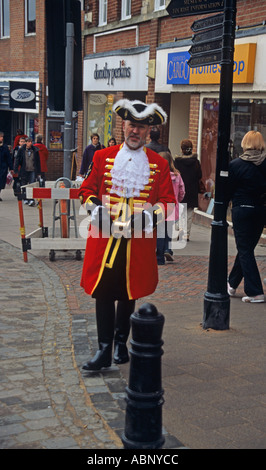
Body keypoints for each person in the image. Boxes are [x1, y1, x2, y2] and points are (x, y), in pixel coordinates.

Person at [78, 99, 176, 371]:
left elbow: (168, 203)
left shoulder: (158, 164)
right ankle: (104, 349)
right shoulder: (102, 156)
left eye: (141, 127)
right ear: (123, 126)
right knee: (104, 291)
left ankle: (122, 343)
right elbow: (85, 190)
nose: (136, 131)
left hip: (138, 241)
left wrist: (147, 216)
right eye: (132, 125)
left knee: (128, 290)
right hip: (105, 238)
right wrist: (95, 209)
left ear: (148, 131)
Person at [227, 130, 266, 303]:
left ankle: (255, 291)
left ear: (244, 143)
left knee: (244, 249)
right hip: (260, 211)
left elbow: (228, 190)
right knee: (246, 249)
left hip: (241, 210)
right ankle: (231, 283)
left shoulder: (235, 165)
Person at [156, 151, 185, 264]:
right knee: (168, 231)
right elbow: (182, 191)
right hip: (172, 206)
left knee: (160, 232)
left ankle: (159, 257)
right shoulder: (177, 175)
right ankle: (167, 249)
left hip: (160, 206)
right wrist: (178, 200)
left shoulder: (158, 174)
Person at [174, 139, 202, 241]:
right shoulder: (196, 162)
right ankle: (186, 234)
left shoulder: (177, 162)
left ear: (182, 149)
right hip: (192, 190)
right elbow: (200, 175)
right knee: (189, 214)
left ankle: (180, 232)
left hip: (180, 190)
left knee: (180, 213)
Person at [14, 137, 41, 206]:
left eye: (31, 142)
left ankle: (31, 199)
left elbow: (38, 162)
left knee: (31, 185)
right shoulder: (21, 150)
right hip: (24, 170)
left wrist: (38, 172)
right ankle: (25, 198)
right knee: (24, 185)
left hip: (32, 170)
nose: (30, 143)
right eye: (28, 142)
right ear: (26, 142)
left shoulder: (35, 150)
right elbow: (17, 160)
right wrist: (15, 169)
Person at [0, 132, 13, 201]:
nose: (2, 138)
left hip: (3, 167)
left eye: (2, 137)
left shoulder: (4, 147)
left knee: (1, 182)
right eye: (0, 137)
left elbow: (8, 158)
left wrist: (11, 168)